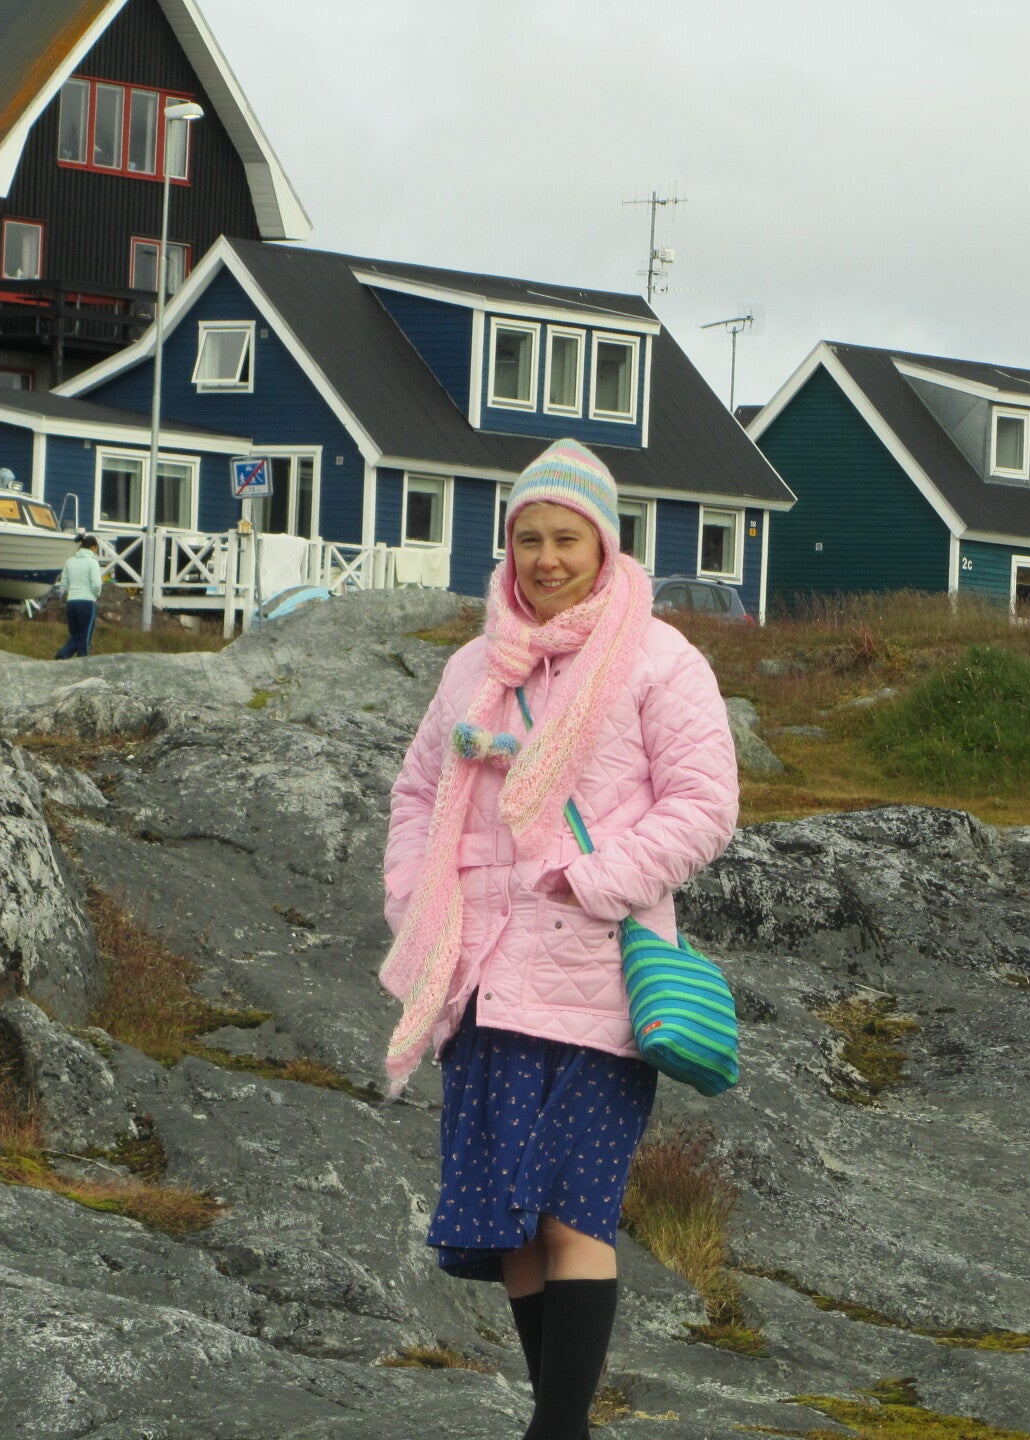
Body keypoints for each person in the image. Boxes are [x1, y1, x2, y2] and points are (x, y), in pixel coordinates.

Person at [380, 439, 738, 1438]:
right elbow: (418, 793)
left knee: (573, 1213)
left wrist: (591, 880)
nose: (545, 559)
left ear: (604, 544)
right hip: (484, 982)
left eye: (565, 539)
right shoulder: (473, 668)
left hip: (596, 985)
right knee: (513, 1230)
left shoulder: (660, 659)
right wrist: (417, 902)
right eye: (528, 538)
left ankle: (556, 1427)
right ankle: (561, 1423)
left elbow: (705, 806)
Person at [54, 534, 102, 660]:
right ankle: (82, 660)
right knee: (85, 635)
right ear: (93, 547)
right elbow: (97, 584)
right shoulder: (92, 562)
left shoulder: (70, 561)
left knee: (75, 635)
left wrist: (71, 592)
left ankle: (63, 655)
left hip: (71, 601)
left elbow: (64, 583)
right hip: (87, 601)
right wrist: (95, 595)